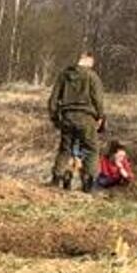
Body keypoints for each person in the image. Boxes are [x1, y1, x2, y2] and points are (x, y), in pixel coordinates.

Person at [47, 51, 105, 192]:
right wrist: (100, 116)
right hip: (86, 118)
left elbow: (53, 99)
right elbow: (98, 99)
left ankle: (56, 179)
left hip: (67, 117)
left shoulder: (64, 75)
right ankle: (89, 183)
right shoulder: (92, 77)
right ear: (89, 61)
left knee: (65, 149)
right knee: (91, 149)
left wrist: (55, 118)